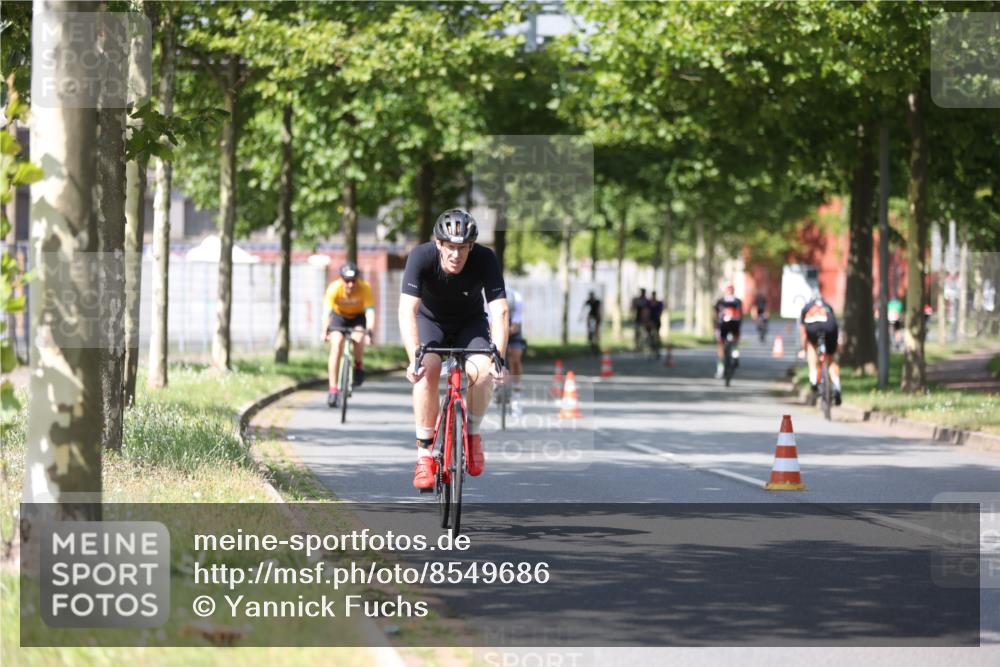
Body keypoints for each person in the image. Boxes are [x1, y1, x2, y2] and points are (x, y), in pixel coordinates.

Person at [399, 208, 508, 490]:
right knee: (427, 370)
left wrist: (499, 358)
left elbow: (500, 311)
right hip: (430, 322)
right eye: (450, 247)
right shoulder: (420, 256)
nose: (456, 255)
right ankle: (424, 455)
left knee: (482, 372)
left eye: (463, 248)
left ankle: (471, 433)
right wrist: (413, 358)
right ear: (439, 243)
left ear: (471, 246)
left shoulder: (485, 258)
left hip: (470, 323)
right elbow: (407, 310)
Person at [323, 262, 375, 408]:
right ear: (341, 279)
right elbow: (326, 313)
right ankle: (333, 390)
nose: (350, 284)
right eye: (347, 280)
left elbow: (370, 312)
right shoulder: (334, 288)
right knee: (336, 346)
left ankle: (358, 365)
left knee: (359, 337)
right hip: (339, 317)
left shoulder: (365, 288)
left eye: (353, 280)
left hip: (357, 317)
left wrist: (369, 331)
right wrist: (324, 330)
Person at [798, 289, 842, 405]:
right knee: (831, 359)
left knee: (811, 347)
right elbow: (835, 323)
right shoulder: (828, 306)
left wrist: (803, 349)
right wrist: (837, 344)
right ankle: (837, 386)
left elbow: (803, 332)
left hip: (813, 328)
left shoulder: (807, 307)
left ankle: (813, 379)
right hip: (830, 327)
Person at [505, 287, 526, 416]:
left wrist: (507, 332)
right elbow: (490, 323)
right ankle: (495, 384)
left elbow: (516, 325)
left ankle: (516, 389)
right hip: (495, 321)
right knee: (493, 354)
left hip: (513, 329)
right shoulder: (490, 301)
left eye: (510, 311)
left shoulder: (517, 299)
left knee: (515, 357)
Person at [714, 284, 743, 379]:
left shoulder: (721, 301)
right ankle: (735, 354)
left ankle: (720, 369)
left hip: (723, 325)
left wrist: (715, 327)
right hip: (734, 324)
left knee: (720, 345)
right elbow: (740, 316)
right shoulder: (738, 301)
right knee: (734, 339)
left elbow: (716, 315)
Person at [648, 291, 664, 356]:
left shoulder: (659, 303)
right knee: (650, 334)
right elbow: (646, 311)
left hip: (656, 320)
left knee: (656, 334)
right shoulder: (649, 303)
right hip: (650, 320)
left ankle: (657, 347)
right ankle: (652, 346)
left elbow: (660, 312)